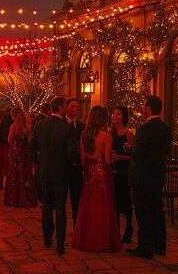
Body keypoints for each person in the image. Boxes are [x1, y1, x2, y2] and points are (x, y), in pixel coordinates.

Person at [124, 95, 172, 260]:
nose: (143, 109)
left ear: (149, 108)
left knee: (143, 213)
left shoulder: (145, 129)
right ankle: (160, 245)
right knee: (157, 211)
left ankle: (145, 247)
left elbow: (138, 153)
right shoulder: (166, 129)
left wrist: (128, 148)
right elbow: (166, 152)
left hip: (142, 177)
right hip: (157, 176)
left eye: (144, 106)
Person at [72, 106, 123, 252]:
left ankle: (87, 239)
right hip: (103, 174)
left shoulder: (83, 136)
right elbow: (107, 160)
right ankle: (103, 240)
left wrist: (87, 171)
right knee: (104, 207)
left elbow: (82, 160)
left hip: (89, 173)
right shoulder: (107, 136)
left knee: (88, 207)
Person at [29, 97, 75, 255]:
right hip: (61, 172)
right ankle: (60, 244)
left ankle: (47, 239)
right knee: (61, 207)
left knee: (47, 207)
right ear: (61, 108)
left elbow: (32, 146)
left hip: (45, 171)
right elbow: (71, 153)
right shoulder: (67, 128)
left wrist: (40, 160)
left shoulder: (40, 125)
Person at [109, 105, 135, 243]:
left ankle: (129, 227)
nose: (115, 116)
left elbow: (132, 156)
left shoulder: (128, 134)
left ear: (123, 117)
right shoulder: (109, 132)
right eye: (113, 113)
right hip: (112, 170)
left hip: (124, 170)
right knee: (114, 201)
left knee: (125, 201)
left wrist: (119, 157)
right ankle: (116, 229)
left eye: (118, 114)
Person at [4, 107, 38, 208]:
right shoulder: (26, 126)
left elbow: (9, 140)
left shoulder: (13, 126)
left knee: (15, 173)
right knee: (25, 173)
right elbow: (30, 139)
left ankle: (15, 198)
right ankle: (26, 197)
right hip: (24, 152)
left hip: (15, 152)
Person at [65, 98, 85, 224]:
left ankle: (77, 225)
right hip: (63, 167)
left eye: (77, 107)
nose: (75, 109)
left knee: (76, 199)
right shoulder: (61, 124)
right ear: (66, 107)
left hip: (77, 169)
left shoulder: (82, 126)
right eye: (72, 106)